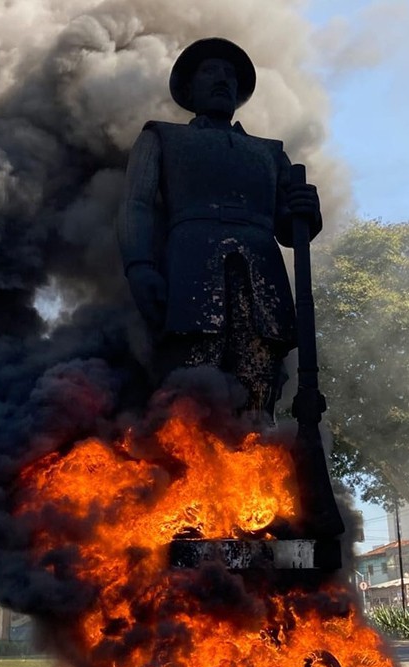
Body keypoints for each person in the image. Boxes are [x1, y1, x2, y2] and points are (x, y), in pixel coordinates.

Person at [118, 37, 322, 421]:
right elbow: (137, 205)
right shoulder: (162, 137)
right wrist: (139, 264)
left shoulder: (269, 153)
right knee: (191, 385)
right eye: (211, 71)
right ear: (189, 87)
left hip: (262, 277)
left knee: (260, 389)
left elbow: (288, 228)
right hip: (191, 274)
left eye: (230, 75)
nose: (223, 79)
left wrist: (306, 212)